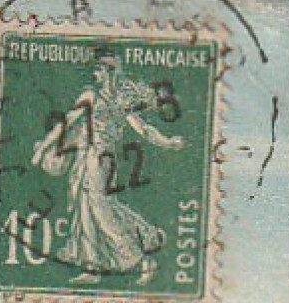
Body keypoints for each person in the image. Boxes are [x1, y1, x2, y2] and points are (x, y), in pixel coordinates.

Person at [31, 49, 185, 284]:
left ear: (109, 72)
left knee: (100, 210)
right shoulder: (95, 96)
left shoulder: (110, 100)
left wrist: (168, 142)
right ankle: (92, 267)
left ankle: (140, 259)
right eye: (96, 70)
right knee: (87, 209)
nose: (96, 74)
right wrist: (44, 147)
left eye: (99, 70)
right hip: (90, 156)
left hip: (100, 158)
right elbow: (66, 123)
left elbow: (143, 129)